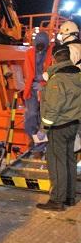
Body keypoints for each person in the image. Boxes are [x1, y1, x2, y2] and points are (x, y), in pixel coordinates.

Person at [36, 44, 81, 210]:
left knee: (56, 162)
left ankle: (57, 200)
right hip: (73, 124)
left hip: (59, 127)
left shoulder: (57, 79)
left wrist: (43, 129)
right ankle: (70, 196)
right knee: (69, 160)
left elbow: (53, 108)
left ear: (55, 57)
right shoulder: (78, 75)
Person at [23, 31, 52, 154]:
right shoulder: (29, 53)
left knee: (43, 120)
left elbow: (52, 71)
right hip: (32, 89)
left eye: (42, 45)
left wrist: (42, 84)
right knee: (31, 116)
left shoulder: (52, 53)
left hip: (46, 89)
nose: (39, 48)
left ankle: (40, 147)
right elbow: (28, 72)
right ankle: (37, 141)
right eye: (37, 45)